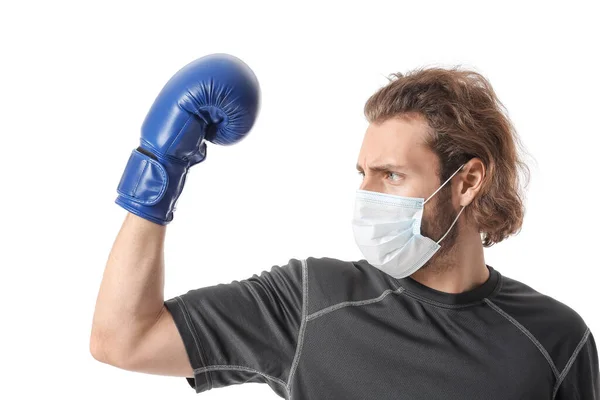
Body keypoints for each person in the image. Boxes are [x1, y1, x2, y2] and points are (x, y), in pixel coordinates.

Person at [90, 57, 599, 399]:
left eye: (392, 175)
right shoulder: (310, 301)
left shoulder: (555, 341)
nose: (368, 196)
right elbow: (122, 340)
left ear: (466, 182)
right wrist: (159, 170)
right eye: (364, 175)